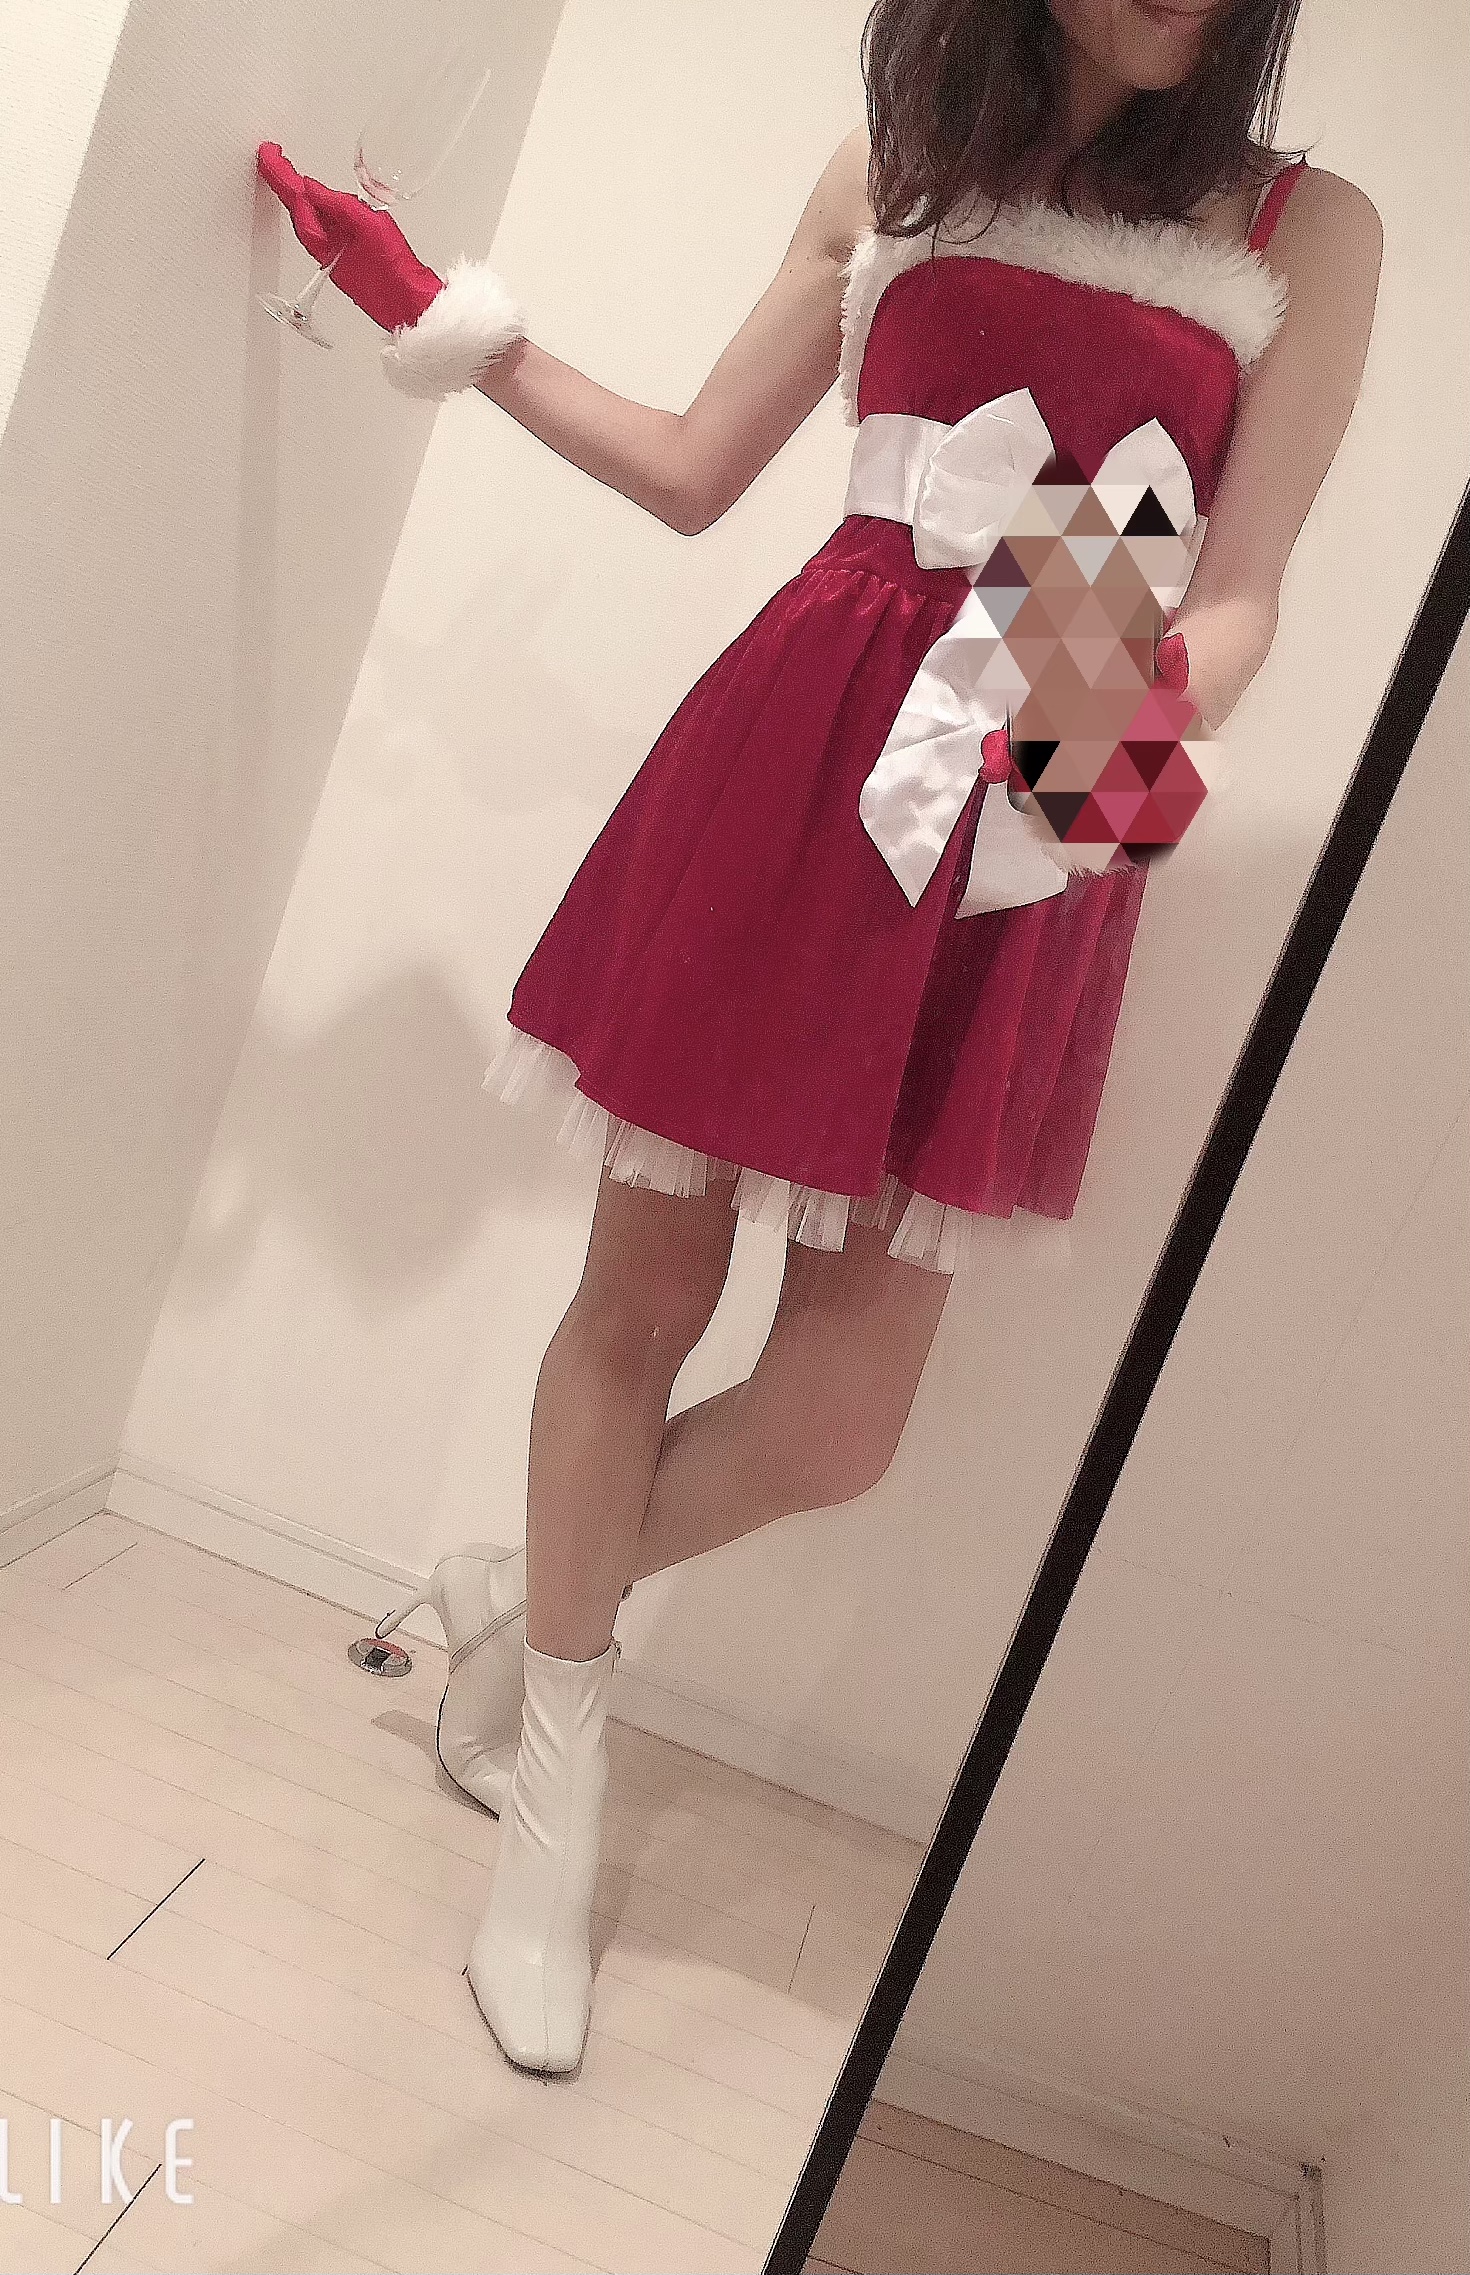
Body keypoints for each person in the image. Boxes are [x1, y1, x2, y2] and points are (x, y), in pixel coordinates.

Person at [259, 0, 1382, 2076]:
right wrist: (450, 327)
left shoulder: (1305, 226)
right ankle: (553, 1779)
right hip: (808, 738)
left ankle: (526, 1587)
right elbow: (700, 473)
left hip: (1059, 743)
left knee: (837, 1421)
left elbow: (1240, 594)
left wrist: (1096, 725)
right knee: (640, 1299)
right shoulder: (892, 163)